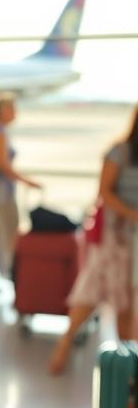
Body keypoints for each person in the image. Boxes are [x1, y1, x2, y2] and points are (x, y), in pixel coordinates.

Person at [49, 104, 138, 374]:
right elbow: (104, 192)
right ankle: (64, 344)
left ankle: (126, 363)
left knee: (126, 300)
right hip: (114, 236)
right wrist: (131, 213)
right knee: (92, 292)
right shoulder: (119, 152)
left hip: (133, 239)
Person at [0, 94, 41, 292]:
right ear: (1, 111)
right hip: (1, 191)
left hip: (0, 190)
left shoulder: (0, 131)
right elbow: (2, 165)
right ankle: (15, 277)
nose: (15, 112)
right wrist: (25, 180)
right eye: (11, 108)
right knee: (11, 233)